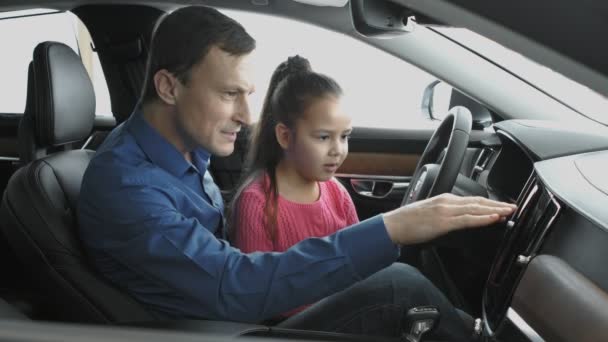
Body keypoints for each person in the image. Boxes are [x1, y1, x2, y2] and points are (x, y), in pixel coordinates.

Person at [77, 5, 515, 341]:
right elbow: (236, 286)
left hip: (226, 313)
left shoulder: (181, 153)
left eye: (249, 94)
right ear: (169, 86)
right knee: (400, 288)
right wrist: (393, 226)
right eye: (230, 94)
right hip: (220, 329)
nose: (248, 116)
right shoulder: (127, 186)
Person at [230, 56, 357, 318]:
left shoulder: (337, 193)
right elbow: (257, 292)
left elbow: (359, 258)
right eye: (323, 137)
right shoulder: (257, 202)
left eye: (344, 137)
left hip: (343, 310)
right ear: (285, 136)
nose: (338, 150)